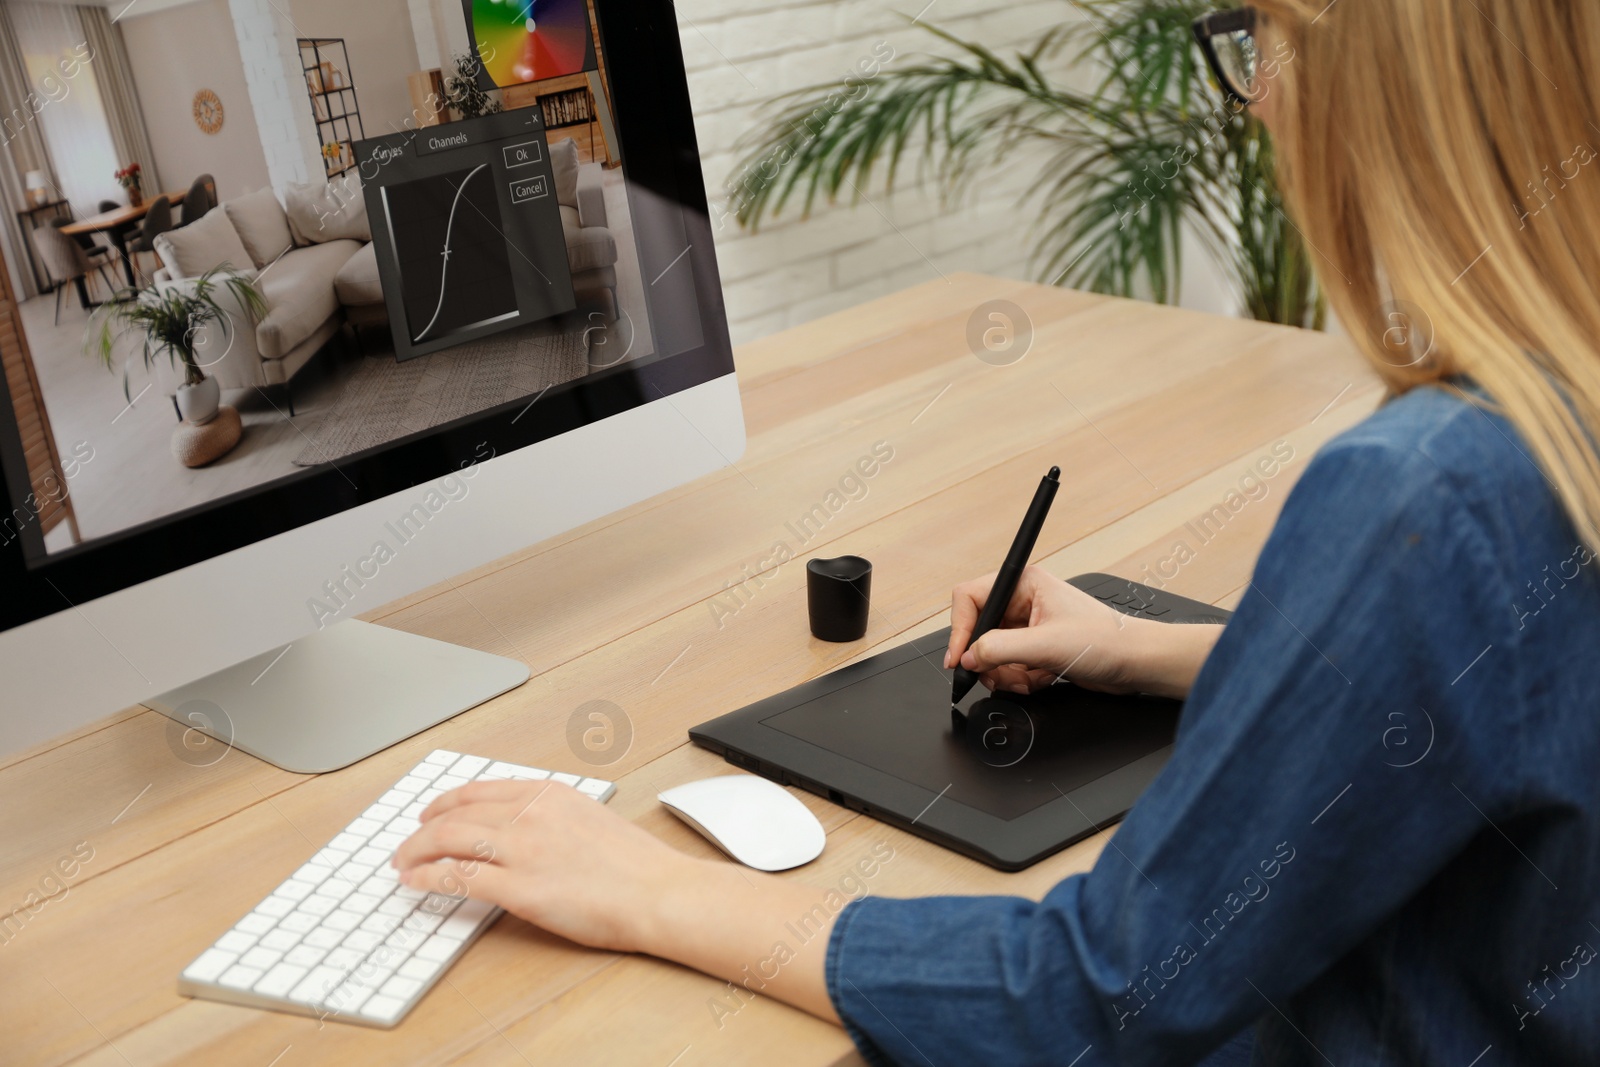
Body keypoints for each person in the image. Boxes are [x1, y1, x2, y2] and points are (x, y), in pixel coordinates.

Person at [393, 1, 1600, 1062]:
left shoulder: (1424, 491)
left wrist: (649, 887)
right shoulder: (1555, 409)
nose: (1258, 103)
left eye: (1259, 37)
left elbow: (1091, 997)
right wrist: (1172, 648)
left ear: (1382, 81)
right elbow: (1512, 675)